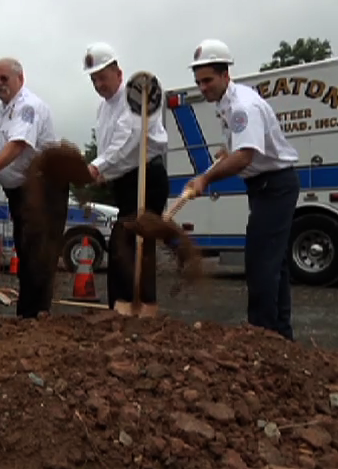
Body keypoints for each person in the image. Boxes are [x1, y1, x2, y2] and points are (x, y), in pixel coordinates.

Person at [184, 39, 300, 340]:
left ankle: (260, 335)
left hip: (275, 186)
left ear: (225, 74)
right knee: (276, 264)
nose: (203, 87)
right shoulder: (226, 103)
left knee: (261, 263)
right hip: (265, 186)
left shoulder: (242, 106)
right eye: (198, 82)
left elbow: (245, 156)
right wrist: (224, 154)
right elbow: (237, 149)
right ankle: (281, 336)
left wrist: (205, 180)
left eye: (208, 80)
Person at [0, 57, 67, 319]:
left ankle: (36, 313)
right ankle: (28, 312)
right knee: (25, 249)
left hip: (42, 187)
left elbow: (19, 144)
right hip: (19, 191)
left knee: (37, 251)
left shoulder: (28, 107)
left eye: (5, 79)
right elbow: (1, 146)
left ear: (20, 79)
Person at [82, 42, 170, 318]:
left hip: (146, 177)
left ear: (118, 72)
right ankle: (125, 307)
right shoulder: (103, 108)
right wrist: (105, 172)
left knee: (131, 242)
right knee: (127, 243)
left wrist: (97, 167)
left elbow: (128, 139)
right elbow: (112, 146)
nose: (98, 84)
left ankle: (136, 308)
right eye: (93, 79)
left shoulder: (135, 97)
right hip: (125, 181)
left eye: (102, 77)